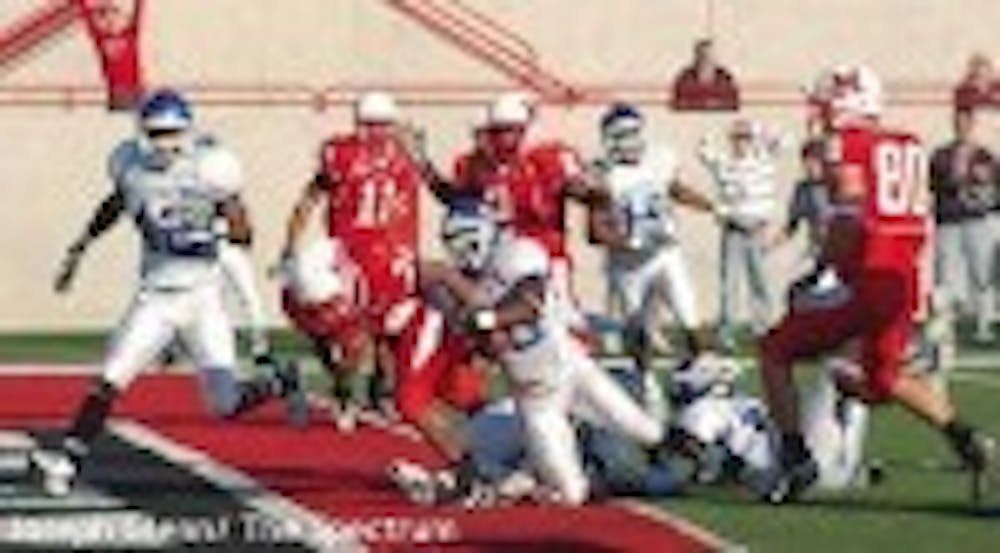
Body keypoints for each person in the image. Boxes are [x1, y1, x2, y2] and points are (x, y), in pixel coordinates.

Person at [31, 89, 305, 496]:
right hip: (156, 297)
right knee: (110, 377)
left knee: (224, 404)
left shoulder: (210, 168)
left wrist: (217, 222)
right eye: (156, 133)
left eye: (172, 132)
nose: (164, 142)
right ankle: (68, 460)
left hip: (203, 298)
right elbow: (115, 204)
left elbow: (243, 231)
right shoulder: (130, 167)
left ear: (187, 131)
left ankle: (281, 383)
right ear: (141, 133)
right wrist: (82, 245)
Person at [759, 65, 995, 506]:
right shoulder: (909, 144)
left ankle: (795, 459)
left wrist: (820, 268)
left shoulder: (850, 144)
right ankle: (967, 438)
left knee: (774, 350)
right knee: (884, 379)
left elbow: (849, 215)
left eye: (830, 100)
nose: (822, 110)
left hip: (867, 278)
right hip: (903, 281)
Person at [425, 198, 669, 506]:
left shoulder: (516, 255)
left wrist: (486, 320)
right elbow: (487, 347)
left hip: (571, 368)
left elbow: (530, 304)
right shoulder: (461, 288)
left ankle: (674, 443)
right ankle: (542, 472)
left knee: (647, 431)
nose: (461, 253)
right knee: (571, 493)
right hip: (535, 396)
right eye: (453, 245)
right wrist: (475, 327)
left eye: (465, 242)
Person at [281, 92, 422, 430]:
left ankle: (379, 394)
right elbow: (310, 197)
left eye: (381, 125)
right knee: (339, 329)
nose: (375, 133)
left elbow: (411, 207)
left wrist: (407, 250)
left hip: (390, 253)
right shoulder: (341, 154)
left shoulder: (406, 154)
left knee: (390, 330)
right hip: (346, 253)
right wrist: (291, 242)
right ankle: (343, 388)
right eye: (369, 125)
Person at [587, 102, 727, 415]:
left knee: (690, 317)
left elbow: (674, 189)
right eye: (620, 136)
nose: (628, 142)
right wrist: (626, 241)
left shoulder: (660, 158)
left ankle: (703, 382)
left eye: (631, 133)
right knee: (637, 329)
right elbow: (595, 232)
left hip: (664, 252)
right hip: (628, 264)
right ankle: (646, 382)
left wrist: (711, 206)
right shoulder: (603, 174)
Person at [699, 118, 786, 349]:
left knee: (760, 281)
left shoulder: (763, 161)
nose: (741, 143)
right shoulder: (724, 163)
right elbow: (703, 151)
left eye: (745, 138)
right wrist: (714, 130)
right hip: (733, 229)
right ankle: (727, 332)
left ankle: (763, 328)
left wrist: (761, 130)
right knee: (730, 283)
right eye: (736, 138)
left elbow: (784, 140)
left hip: (757, 229)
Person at [930, 108, 998, 343]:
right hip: (949, 221)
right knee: (946, 274)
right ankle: (946, 325)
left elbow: (994, 188)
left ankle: (984, 324)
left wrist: (982, 184)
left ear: (972, 125)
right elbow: (933, 185)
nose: (962, 127)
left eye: (966, 123)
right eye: (958, 123)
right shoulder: (941, 155)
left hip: (977, 220)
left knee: (982, 274)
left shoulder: (985, 156)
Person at [671, 39, 740, 111]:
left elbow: (733, 105)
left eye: (709, 55)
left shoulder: (725, 80)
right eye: (703, 55)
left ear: (715, 57)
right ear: (696, 57)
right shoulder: (685, 79)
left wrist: (717, 105)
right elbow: (678, 105)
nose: (706, 59)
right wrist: (701, 105)